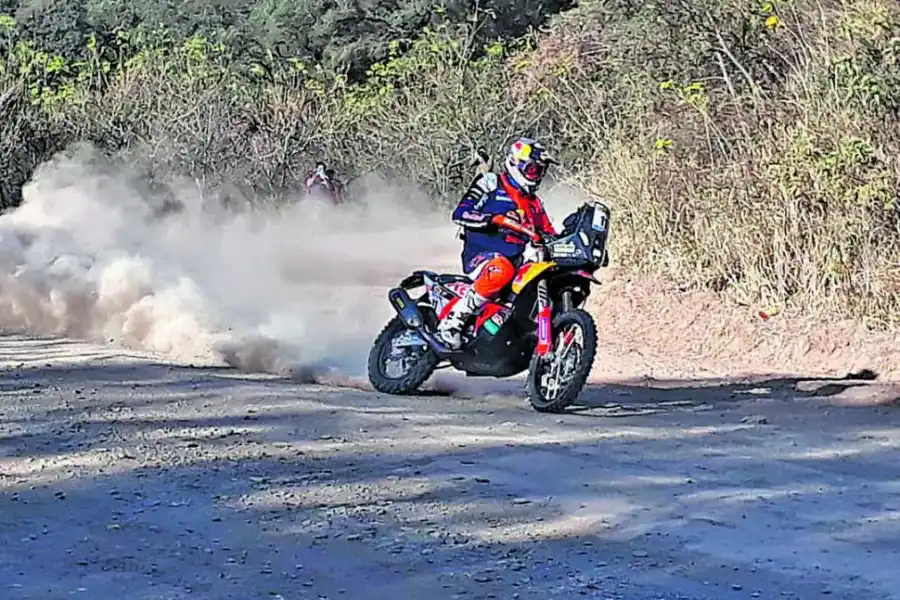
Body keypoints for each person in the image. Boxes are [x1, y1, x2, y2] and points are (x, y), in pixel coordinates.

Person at [436, 137, 559, 349]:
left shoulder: (535, 203)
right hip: (483, 255)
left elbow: (549, 232)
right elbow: (460, 213)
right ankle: (453, 321)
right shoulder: (491, 183)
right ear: (514, 164)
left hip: (517, 261)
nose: (536, 176)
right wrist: (492, 219)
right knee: (502, 270)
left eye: (540, 171)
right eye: (532, 170)